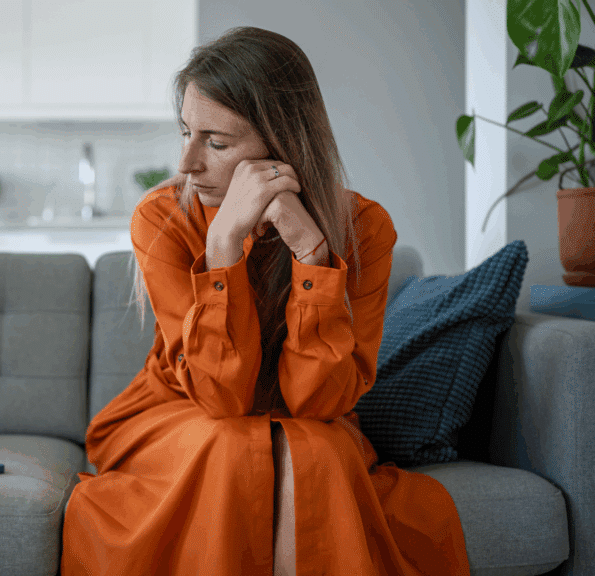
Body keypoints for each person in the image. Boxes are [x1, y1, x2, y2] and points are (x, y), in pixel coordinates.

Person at [61, 26, 469, 576]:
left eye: (218, 143)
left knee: (316, 452)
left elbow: (320, 402)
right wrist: (223, 245)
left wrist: (311, 254)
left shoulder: (366, 229)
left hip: (309, 421)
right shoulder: (161, 217)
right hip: (179, 411)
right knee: (235, 447)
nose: (187, 163)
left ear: (282, 147)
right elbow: (220, 396)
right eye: (186, 132)